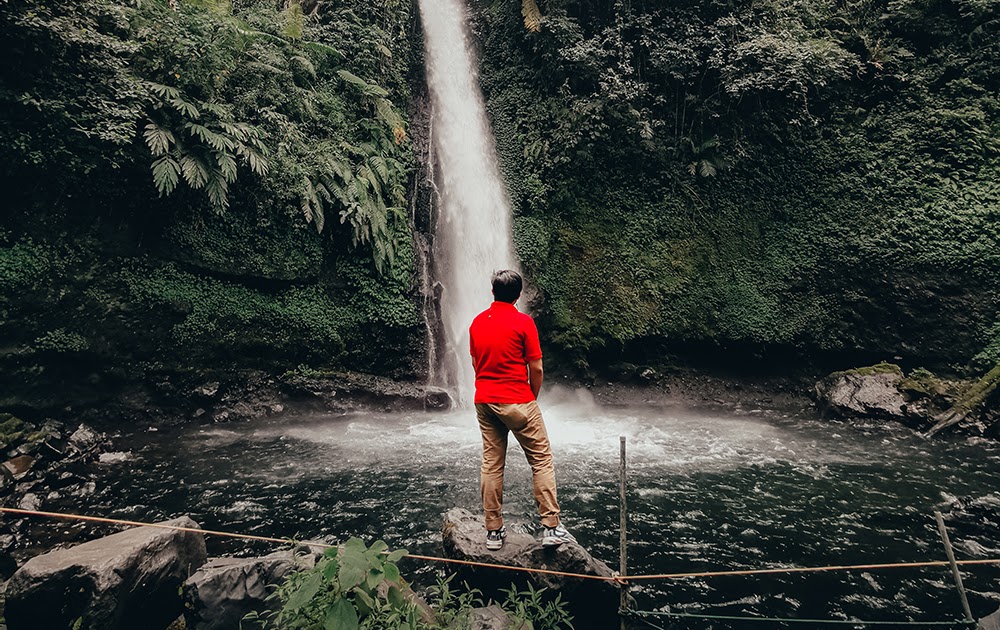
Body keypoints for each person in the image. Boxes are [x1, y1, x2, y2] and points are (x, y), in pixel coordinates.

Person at [469, 269, 574, 551]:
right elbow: (536, 368)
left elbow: (476, 364)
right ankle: (551, 527)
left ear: (492, 292)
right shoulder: (523, 322)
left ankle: (493, 531)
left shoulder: (477, 323)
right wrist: (531, 397)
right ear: (518, 295)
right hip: (518, 399)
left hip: (485, 400)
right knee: (541, 460)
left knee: (491, 464)